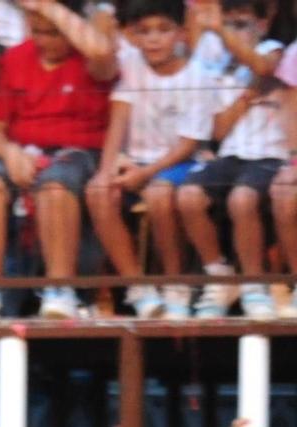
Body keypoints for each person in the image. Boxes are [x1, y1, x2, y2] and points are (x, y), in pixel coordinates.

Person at [0, 0, 116, 322]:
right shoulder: (15, 58)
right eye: (37, 31)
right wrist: (10, 153)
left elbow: (101, 53)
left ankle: (60, 289)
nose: (44, 41)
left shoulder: (91, 57)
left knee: (55, 184)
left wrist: (48, 5)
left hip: (78, 153)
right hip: (22, 150)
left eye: (53, 33)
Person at [85, 0, 211, 320]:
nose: (154, 39)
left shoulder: (197, 75)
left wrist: (146, 173)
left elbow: (188, 144)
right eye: (145, 32)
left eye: (164, 30)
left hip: (178, 163)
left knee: (159, 195)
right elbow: (119, 119)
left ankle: (175, 283)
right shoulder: (130, 65)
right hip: (136, 162)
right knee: (98, 192)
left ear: (182, 35)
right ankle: (138, 287)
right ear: (134, 37)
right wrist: (104, 171)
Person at [179, 0, 286, 320]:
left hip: (270, 154)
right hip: (231, 155)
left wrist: (220, 31)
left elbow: (264, 68)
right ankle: (220, 278)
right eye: (230, 23)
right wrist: (248, 96)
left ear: (263, 24)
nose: (234, 31)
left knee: (242, 199)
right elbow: (219, 128)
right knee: (188, 196)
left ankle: (254, 284)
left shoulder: (275, 49)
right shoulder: (219, 64)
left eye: (243, 24)